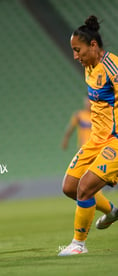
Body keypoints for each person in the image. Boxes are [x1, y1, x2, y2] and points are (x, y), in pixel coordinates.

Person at [58, 15, 118, 256]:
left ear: (93, 45)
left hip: (115, 140)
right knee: (70, 187)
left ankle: (78, 245)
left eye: (77, 50)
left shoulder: (112, 67)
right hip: (96, 139)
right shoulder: (89, 67)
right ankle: (112, 211)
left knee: (85, 188)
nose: (75, 56)